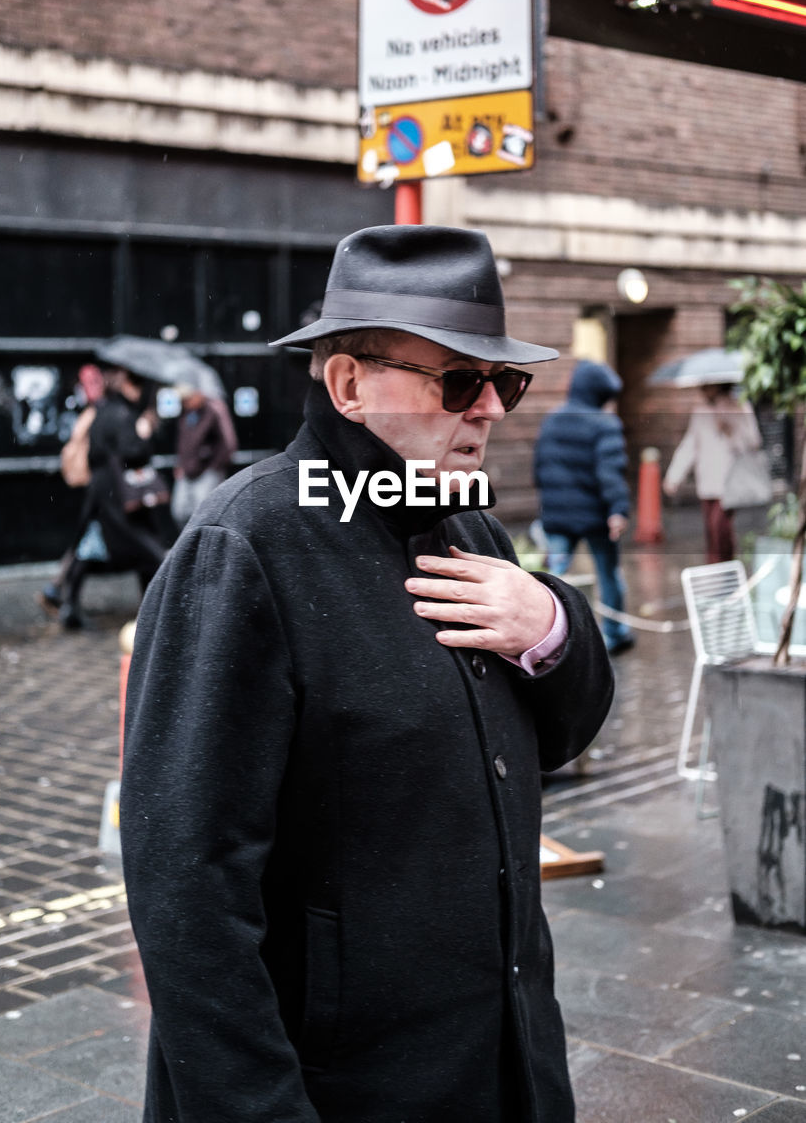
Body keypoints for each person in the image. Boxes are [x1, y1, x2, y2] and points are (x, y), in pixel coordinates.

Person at [121, 225, 614, 1123]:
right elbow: (187, 892)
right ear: (349, 384)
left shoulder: (469, 522)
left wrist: (551, 624)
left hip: (502, 1065)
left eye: (503, 382)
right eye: (461, 380)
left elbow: (566, 733)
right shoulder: (247, 546)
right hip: (349, 1088)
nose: (491, 410)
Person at [58, 365, 175, 628]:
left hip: (102, 494)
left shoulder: (103, 411)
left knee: (90, 549)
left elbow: (95, 452)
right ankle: (156, 605)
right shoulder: (125, 415)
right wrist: (144, 432)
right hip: (119, 496)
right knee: (147, 549)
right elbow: (134, 453)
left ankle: (68, 603)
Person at [533, 359, 634, 656]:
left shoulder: (551, 420)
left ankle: (550, 639)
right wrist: (618, 510)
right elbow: (610, 472)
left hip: (558, 516)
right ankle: (614, 633)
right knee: (608, 574)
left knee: (556, 576)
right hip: (595, 518)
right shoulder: (605, 424)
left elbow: (539, 468)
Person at [663, 381, 763, 563]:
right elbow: (690, 444)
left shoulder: (739, 406)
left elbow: (753, 442)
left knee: (721, 530)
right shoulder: (701, 411)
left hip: (729, 482)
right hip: (706, 481)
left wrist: (731, 430)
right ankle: (716, 573)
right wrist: (674, 476)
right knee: (711, 532)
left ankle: (724, 573)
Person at [38, 363, 105, 618]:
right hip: (94, 487)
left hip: (90, 487)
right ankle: (58, 592)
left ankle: (57, 591)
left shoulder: (88, 413)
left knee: (83, 542)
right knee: (84, 544)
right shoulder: (94, 414)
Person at [170, 385, 237, 527]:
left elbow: (229, 443)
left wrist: (214, 467)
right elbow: (183, 441)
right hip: (187, 470)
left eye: (188, 399)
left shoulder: (214, 409)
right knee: (180, 511)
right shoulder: (187, 412)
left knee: (205, 514)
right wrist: (180, 463)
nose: (185, 403)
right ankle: (190, 545)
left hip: (207, 470)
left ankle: (204, 547)